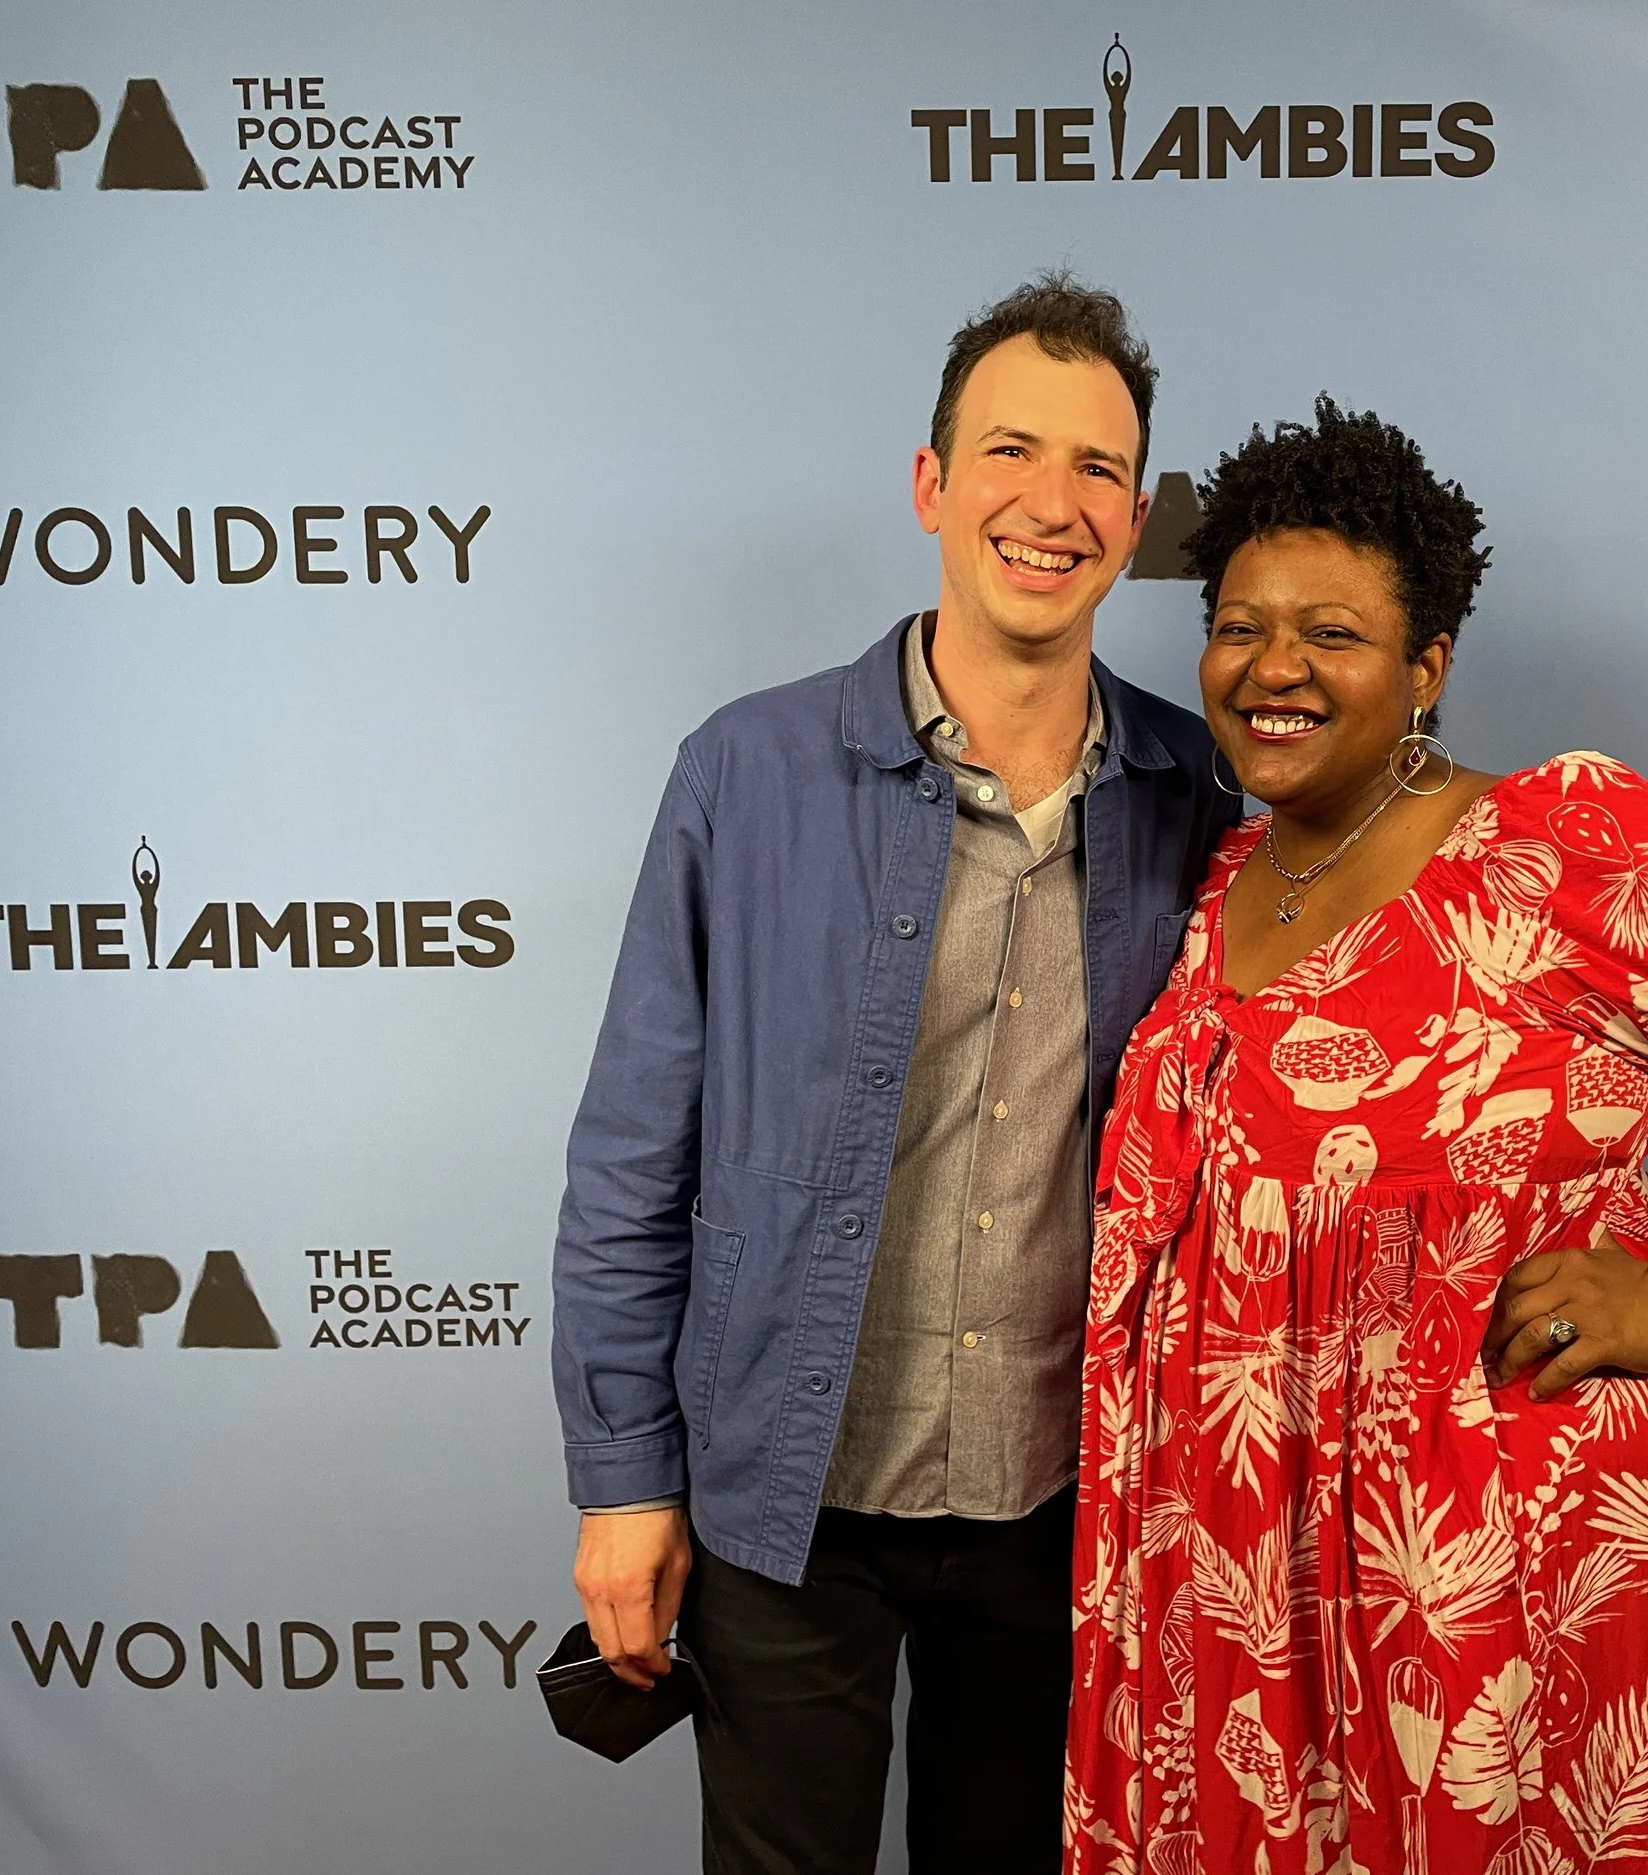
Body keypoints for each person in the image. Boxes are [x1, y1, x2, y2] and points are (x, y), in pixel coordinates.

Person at [1067, 399, 1648, 1873]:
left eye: (1333, 632)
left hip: (1510, 1579)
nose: (1272, 666)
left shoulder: (1552, 849)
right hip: (1249, 1577)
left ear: (1428, 665)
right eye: (1238, 624)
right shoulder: (1217, 871)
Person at [550, 273, 1236, 1875]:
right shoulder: (745, 771)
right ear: (932, 483)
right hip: (792, 1505)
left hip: (1065, 1513)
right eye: (1010, 450)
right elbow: (631, 1163)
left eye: (1096, 470)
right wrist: (623, 1481)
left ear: (1134, 521)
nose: (1050, 503)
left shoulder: (1199, 796)